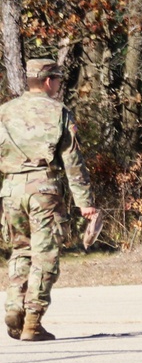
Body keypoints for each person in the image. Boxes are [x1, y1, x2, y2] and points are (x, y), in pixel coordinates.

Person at [1, 59, 98, 341]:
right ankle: (32, 320)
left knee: (20, 250)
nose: (58, 85)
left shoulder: (4, 112)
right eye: (57, 80)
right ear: (48, 81)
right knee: (45, 254)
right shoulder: (59, 113)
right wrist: (85, 202)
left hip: (10, 190)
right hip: (44, 189)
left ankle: (13, 305)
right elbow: (73, 161)